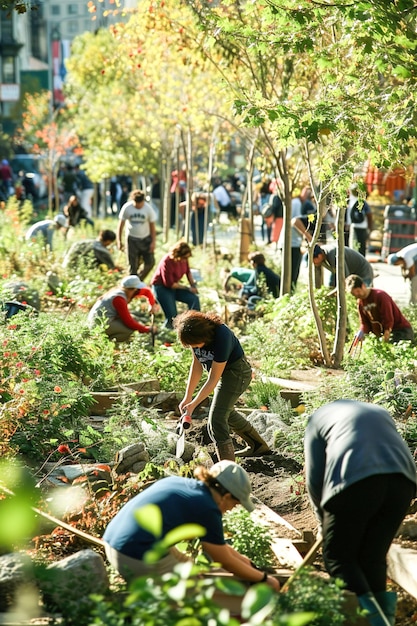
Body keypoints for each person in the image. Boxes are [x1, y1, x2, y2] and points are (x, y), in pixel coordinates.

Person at [304, 400, 416, 625]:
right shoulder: (377, 412)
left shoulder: (315, 421)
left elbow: (314, 480)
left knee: (338, 557)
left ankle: (374, 623)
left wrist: (321, 523)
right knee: (372, 557)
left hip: (357, 478)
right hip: (404, 481)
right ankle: (383, 621)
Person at [102, 459, 280, 590]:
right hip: (134, 553)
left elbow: (222, 548)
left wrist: (251, 566)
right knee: (194, 596)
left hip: (113, 541)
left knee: (190, 570)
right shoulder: (207, 508)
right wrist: (265, 579)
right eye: (236, 503)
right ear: (226, 496)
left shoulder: (184, 485)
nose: (233, 509)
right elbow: (224, 560)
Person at [174, 310, 271, 461]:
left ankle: (227, 468)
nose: (194, 347)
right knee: (226, 412)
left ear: (202, 336)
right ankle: (258, 446)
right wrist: (188, 397)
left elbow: (213, 379)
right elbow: (197, 365)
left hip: (236, 374)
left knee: (216, 421)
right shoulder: (194, 335)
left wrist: (193, 405)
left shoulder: (222, 336)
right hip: (222, 375)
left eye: (194, 344)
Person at [87, 275, 158, 342]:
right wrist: (147, 329)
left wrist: (152, 305)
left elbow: (146, 291)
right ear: (131, 289)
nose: (137, 291)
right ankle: (105, 344)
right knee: (129, 330)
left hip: (103, 320)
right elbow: (128, 322)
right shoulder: (119, 298)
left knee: (134, 318)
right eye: (136, 289)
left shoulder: (122, 291)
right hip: (98, 325)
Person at [346, 274, 414, 344]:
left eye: (357, 291)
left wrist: (385, 339)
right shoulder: (360, 303)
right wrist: (361, 332)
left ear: (363, 286)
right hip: (383, 334)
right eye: (353, 294)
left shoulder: (380, 296)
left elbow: (388, 319)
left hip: (400, 331)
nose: (356, 295)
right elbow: (365, 323)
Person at [150, 241, 200, 330]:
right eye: (184, 257)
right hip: (161, 287)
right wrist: (187, 288)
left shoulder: (184, 260)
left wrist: (193, 285)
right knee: (172, 318)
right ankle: (166, 333)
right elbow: (169, 284)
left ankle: (194, 323)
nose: (186, 259)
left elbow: (188, 272)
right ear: (178, 254)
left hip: (175, 286)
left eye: (187, 257)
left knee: (194, 299)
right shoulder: (168, 261)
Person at [117, 189, 157, 280]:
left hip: (145, 238)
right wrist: (119, 240)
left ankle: (139, 280)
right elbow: (120, 225)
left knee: (150, 262)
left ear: (143, 201)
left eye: (140, 203)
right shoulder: (127, 208)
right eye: (136, 203)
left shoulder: (148, 209)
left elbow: (152, 227)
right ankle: (132, 284)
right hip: (132, 239)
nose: (138, 206)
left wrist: (153, 242)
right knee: (133, 265)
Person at [277, 190, 304, 291]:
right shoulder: (297, 203)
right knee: (292, 274)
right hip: (291, 243)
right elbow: (295, 221)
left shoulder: (294, 202)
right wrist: (307, 236)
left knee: (288, 273)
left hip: (289, 242)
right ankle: (289, 294)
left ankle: (286, 294)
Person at [345, 183, 373, 256]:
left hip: (354, 226)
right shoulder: (362, 202)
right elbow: (369, 215)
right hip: (362, 226)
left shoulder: (350, 201)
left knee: (354, 245)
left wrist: (348, 224)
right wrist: (370, 228)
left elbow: (349, 214)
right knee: (361, 246)